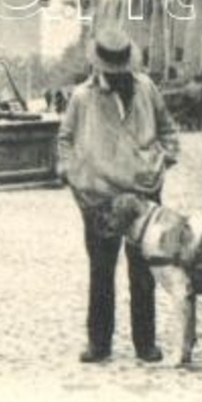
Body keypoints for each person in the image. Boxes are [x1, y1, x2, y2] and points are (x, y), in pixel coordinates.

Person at [57, 29, 180, 364]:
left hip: (145, 196)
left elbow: (168, 128)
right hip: (98, 198)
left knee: (143, 272)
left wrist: (163, 159)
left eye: (120, 69)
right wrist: (71, 173)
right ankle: (99, 343)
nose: (115, 76)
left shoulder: (147, 88)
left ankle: (145, 343)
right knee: (101, 271)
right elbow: (64, 139)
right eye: (110, 70)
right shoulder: (82, 97)